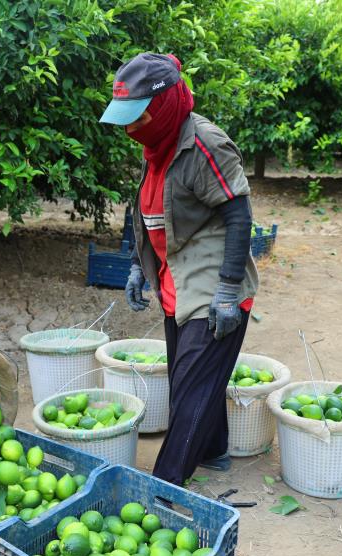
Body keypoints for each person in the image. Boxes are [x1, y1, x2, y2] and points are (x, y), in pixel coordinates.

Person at [100, 52, 259, 486]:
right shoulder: (158, 145)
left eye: (139, 117)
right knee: (191, 375)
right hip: (175, 278)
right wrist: (136, 264)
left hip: (210, 283)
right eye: (126, 119)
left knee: (189, 390)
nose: (131, 129)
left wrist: (228, 292)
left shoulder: (204, 142)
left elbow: (239, 215)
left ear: (166, 104)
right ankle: (214, 451)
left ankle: (165, 487)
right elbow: (150, 209)